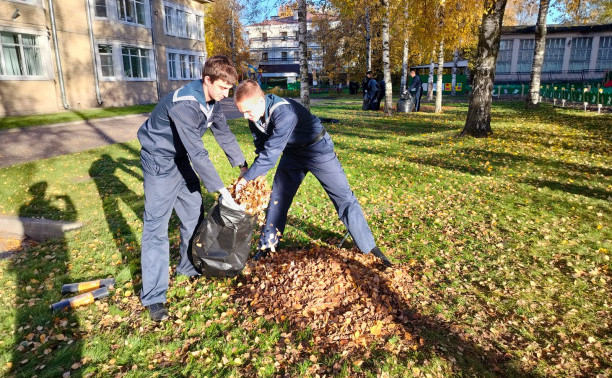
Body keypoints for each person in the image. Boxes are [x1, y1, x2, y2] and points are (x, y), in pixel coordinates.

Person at [233, 79, 392, 267]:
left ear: (261, 101)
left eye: (248, 111)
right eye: (242, 112)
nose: (245, 117)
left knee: (343, 197)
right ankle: (267, 248)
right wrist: (254, 177)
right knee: (277, 199)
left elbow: (271, 154)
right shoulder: (254, 118)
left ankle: (369, 248)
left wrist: (246, 179)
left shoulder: (284, 113)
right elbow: (262, 149)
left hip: (317, 149)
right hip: (293, 154)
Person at [137, 55, 248, 322]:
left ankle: (188, 268)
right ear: (207, 80)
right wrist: (222, 192)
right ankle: (154, 297)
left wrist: (243, 166)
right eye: (222, 87)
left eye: (230, 89)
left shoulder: (212, 102)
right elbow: (198, 154)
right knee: (156, 227)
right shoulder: (185, 104)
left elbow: (223, 133)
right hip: (159, 162)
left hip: (180, 159)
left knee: (193, 215)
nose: (226, 94)